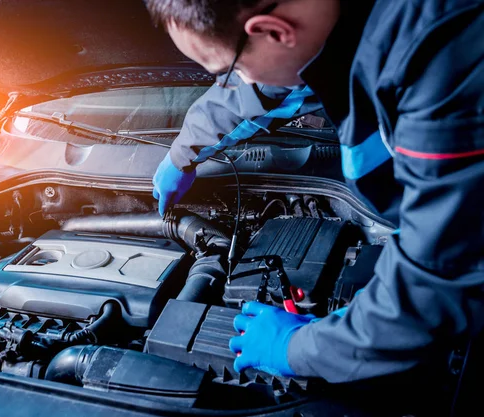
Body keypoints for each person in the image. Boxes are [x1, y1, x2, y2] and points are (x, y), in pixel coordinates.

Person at [145, 0, 484, 400]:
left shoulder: (444, 66)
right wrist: (181, 153)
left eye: (227, 69)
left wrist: (296, 349)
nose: (233, 79)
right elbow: (265, 87)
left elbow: (437, 284)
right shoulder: (329, 22)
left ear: (275, 31)